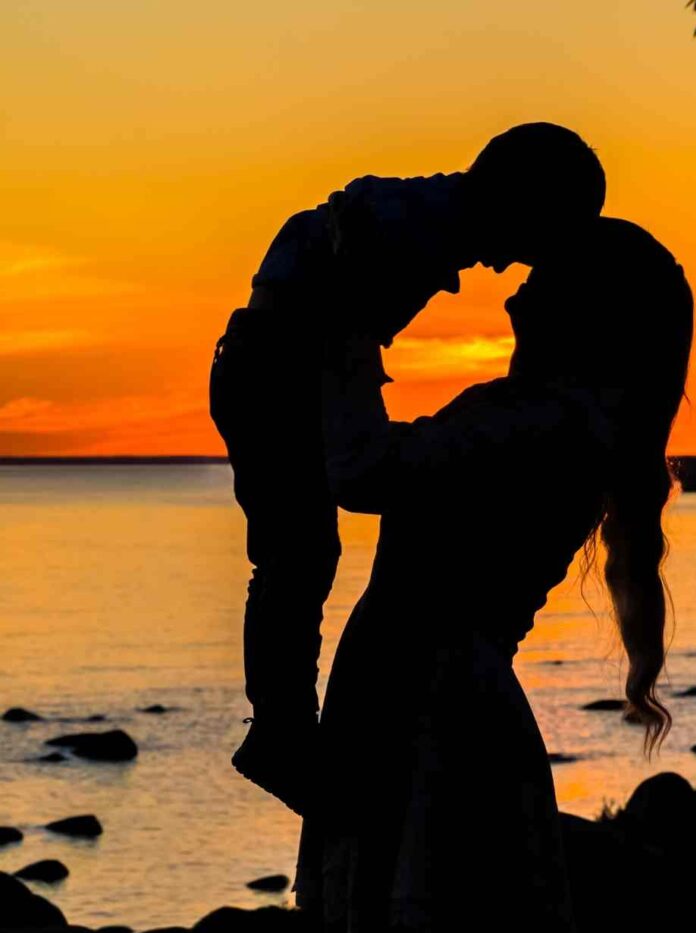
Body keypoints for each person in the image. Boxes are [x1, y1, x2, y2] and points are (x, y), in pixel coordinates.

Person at [296, 216, 694, 933]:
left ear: (587, 307)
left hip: (427, 699)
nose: (516, 283)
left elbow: (365, 471)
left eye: (544, 272)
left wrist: (342, 336)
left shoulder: (537, 418)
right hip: (435, 688)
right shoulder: (570, 422)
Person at [208, 123, 607, 816]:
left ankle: (282, 726)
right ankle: (279, 728)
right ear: (513, 202)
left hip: (275, 366)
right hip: (270, 372)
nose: (514, 268)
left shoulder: (429, 224)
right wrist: (348, 331)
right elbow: (344, 238)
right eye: (528, 243)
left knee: (298, 554)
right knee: (296, 554)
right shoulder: (417, 226)